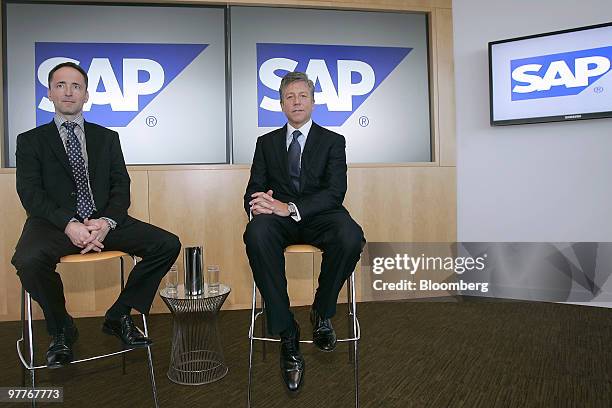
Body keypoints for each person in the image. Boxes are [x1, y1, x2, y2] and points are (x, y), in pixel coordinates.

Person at [11, 62, 181, 368]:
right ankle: (62, 328)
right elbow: (30, 194)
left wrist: (105, 222)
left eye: (76, 86)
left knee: (167, 244)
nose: (68, 92)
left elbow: (121, 186)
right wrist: (69, 224)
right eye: (61, 85)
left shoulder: (107, 137)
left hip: (104, 221)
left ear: (86, 95)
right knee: (28, 260)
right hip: (53, 224)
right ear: (49, 93)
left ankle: (119, 315)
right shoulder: (30, 141)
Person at [243, 71, 365, 392]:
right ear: (281, 104)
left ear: (312, 101)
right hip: (278, 220)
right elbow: (254, 188)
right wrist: (258, 204)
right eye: (289, 97)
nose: (296, 102)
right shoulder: (265, 143)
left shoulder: (333, 141)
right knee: (256, 233)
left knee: (350, 235)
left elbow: (334, 192)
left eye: (302, 96)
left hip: (319, 215)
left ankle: (322, 312)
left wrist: (292, 208)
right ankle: (287, 333)